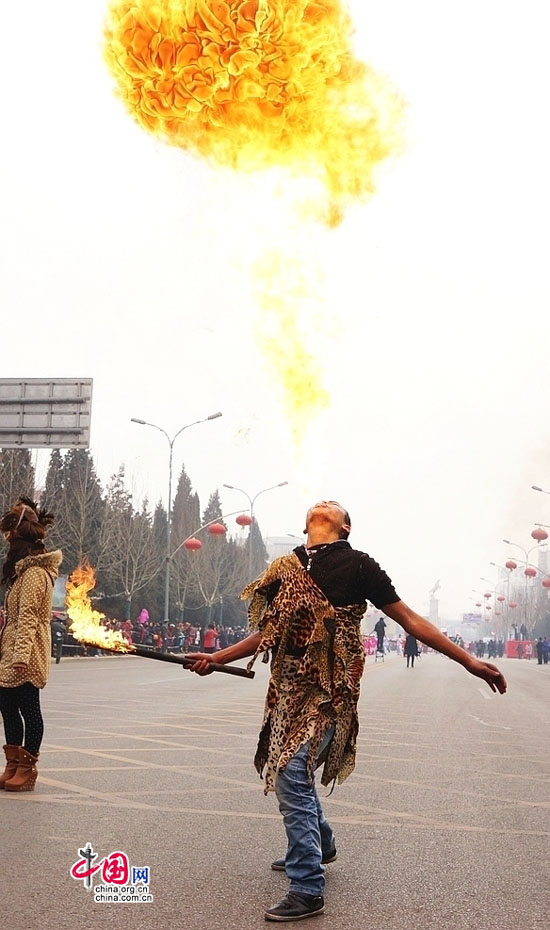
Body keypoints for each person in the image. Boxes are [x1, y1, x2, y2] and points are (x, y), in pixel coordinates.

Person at [187, 500, 507, 922]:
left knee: (288, 773)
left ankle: (307, 886)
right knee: (295, 772)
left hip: (331, 688)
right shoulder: (287, 567)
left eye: (332, 506)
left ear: (346, 526)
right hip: (289, 689)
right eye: (317, 504)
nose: (322, 504)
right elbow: (267, 632)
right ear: (305, 524)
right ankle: (321, 842)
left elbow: (410, 620)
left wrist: (469, 661)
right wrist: (217, 659)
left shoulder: (360, 566)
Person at [0, 497, 62, 792]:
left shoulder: (36, 574)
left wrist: (21, 656)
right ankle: (12, 764)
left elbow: (27, 618)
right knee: (7, 706)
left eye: (10, 542)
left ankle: (27, 768)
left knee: (28, 708)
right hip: (11, 648)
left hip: (26, 652)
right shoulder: (21, 574)